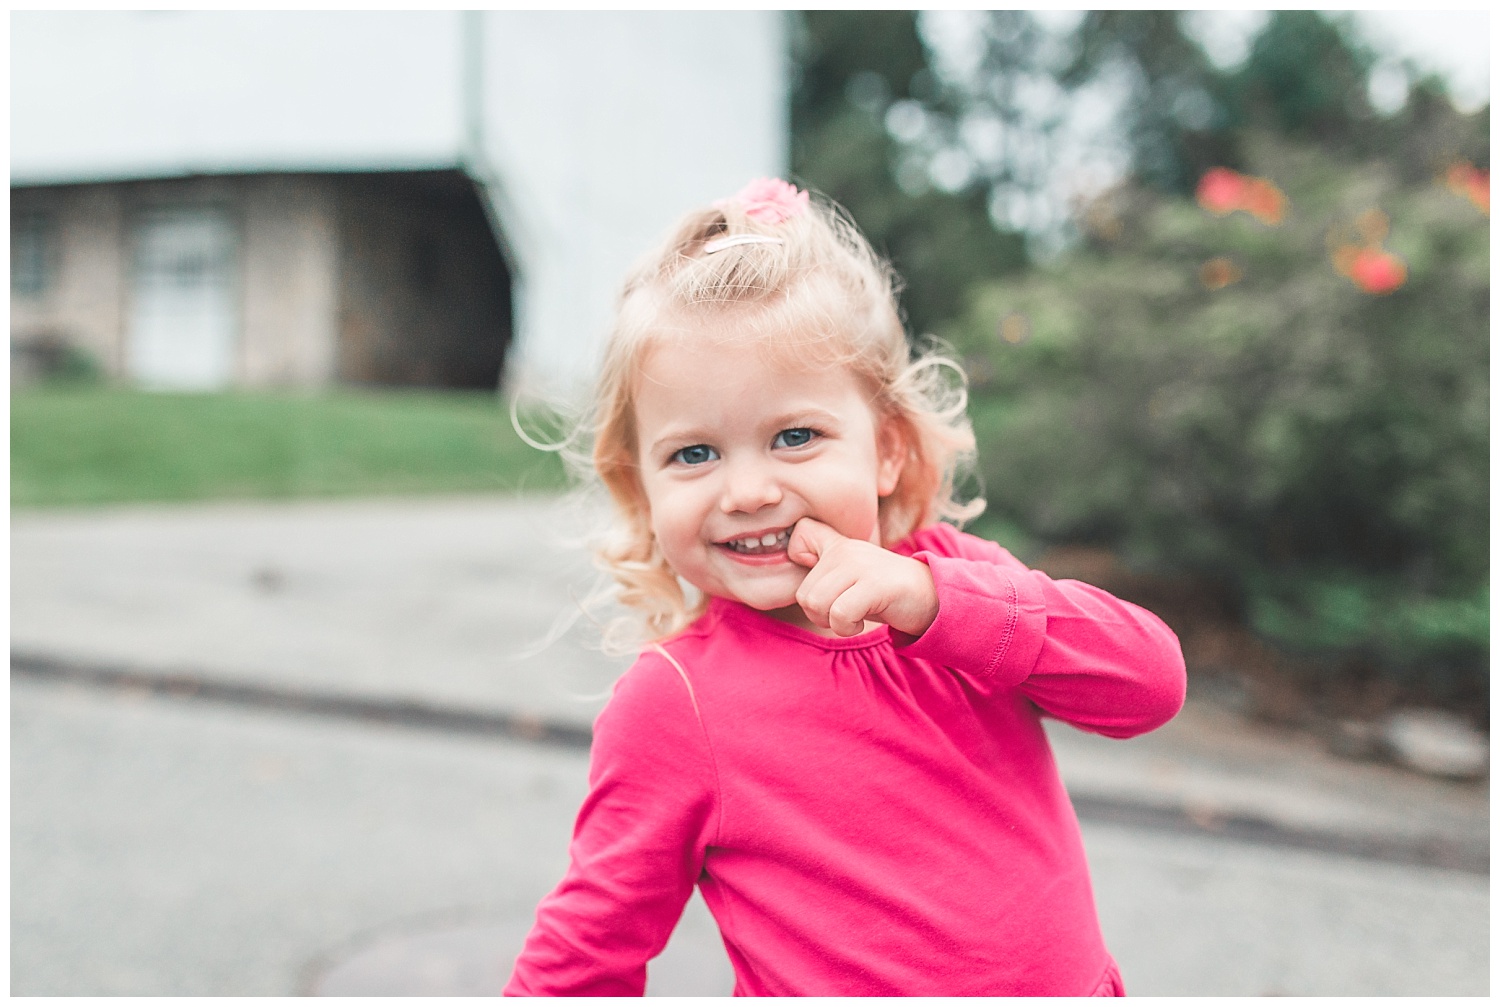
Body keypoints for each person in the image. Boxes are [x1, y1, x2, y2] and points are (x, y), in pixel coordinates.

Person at [503, 178, 1186, 997]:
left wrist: (938, 602)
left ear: (887, 450)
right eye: (694, 454)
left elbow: (1151, 685)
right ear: (640, 484)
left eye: (795, 436)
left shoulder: (960, 588)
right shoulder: (675, 702)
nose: (748, 490)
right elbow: (584, 952)